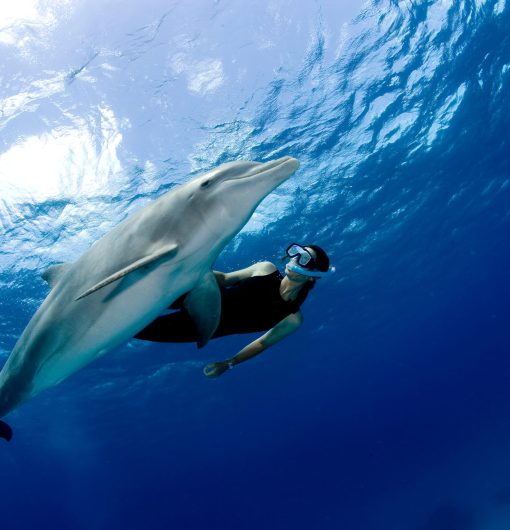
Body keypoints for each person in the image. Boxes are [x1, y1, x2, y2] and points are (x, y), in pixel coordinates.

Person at [135, 243, 334, 377]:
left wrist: (230, 363)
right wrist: (190, 269)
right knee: (143, 293)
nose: (294, 260)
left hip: (198, 328)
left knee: (137, 329)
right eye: (295, 253)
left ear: (313, 275)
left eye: (304, 259)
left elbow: (262, 343)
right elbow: (224, 279)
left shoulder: (292, 318)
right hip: (199, 294)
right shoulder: (266, 269)